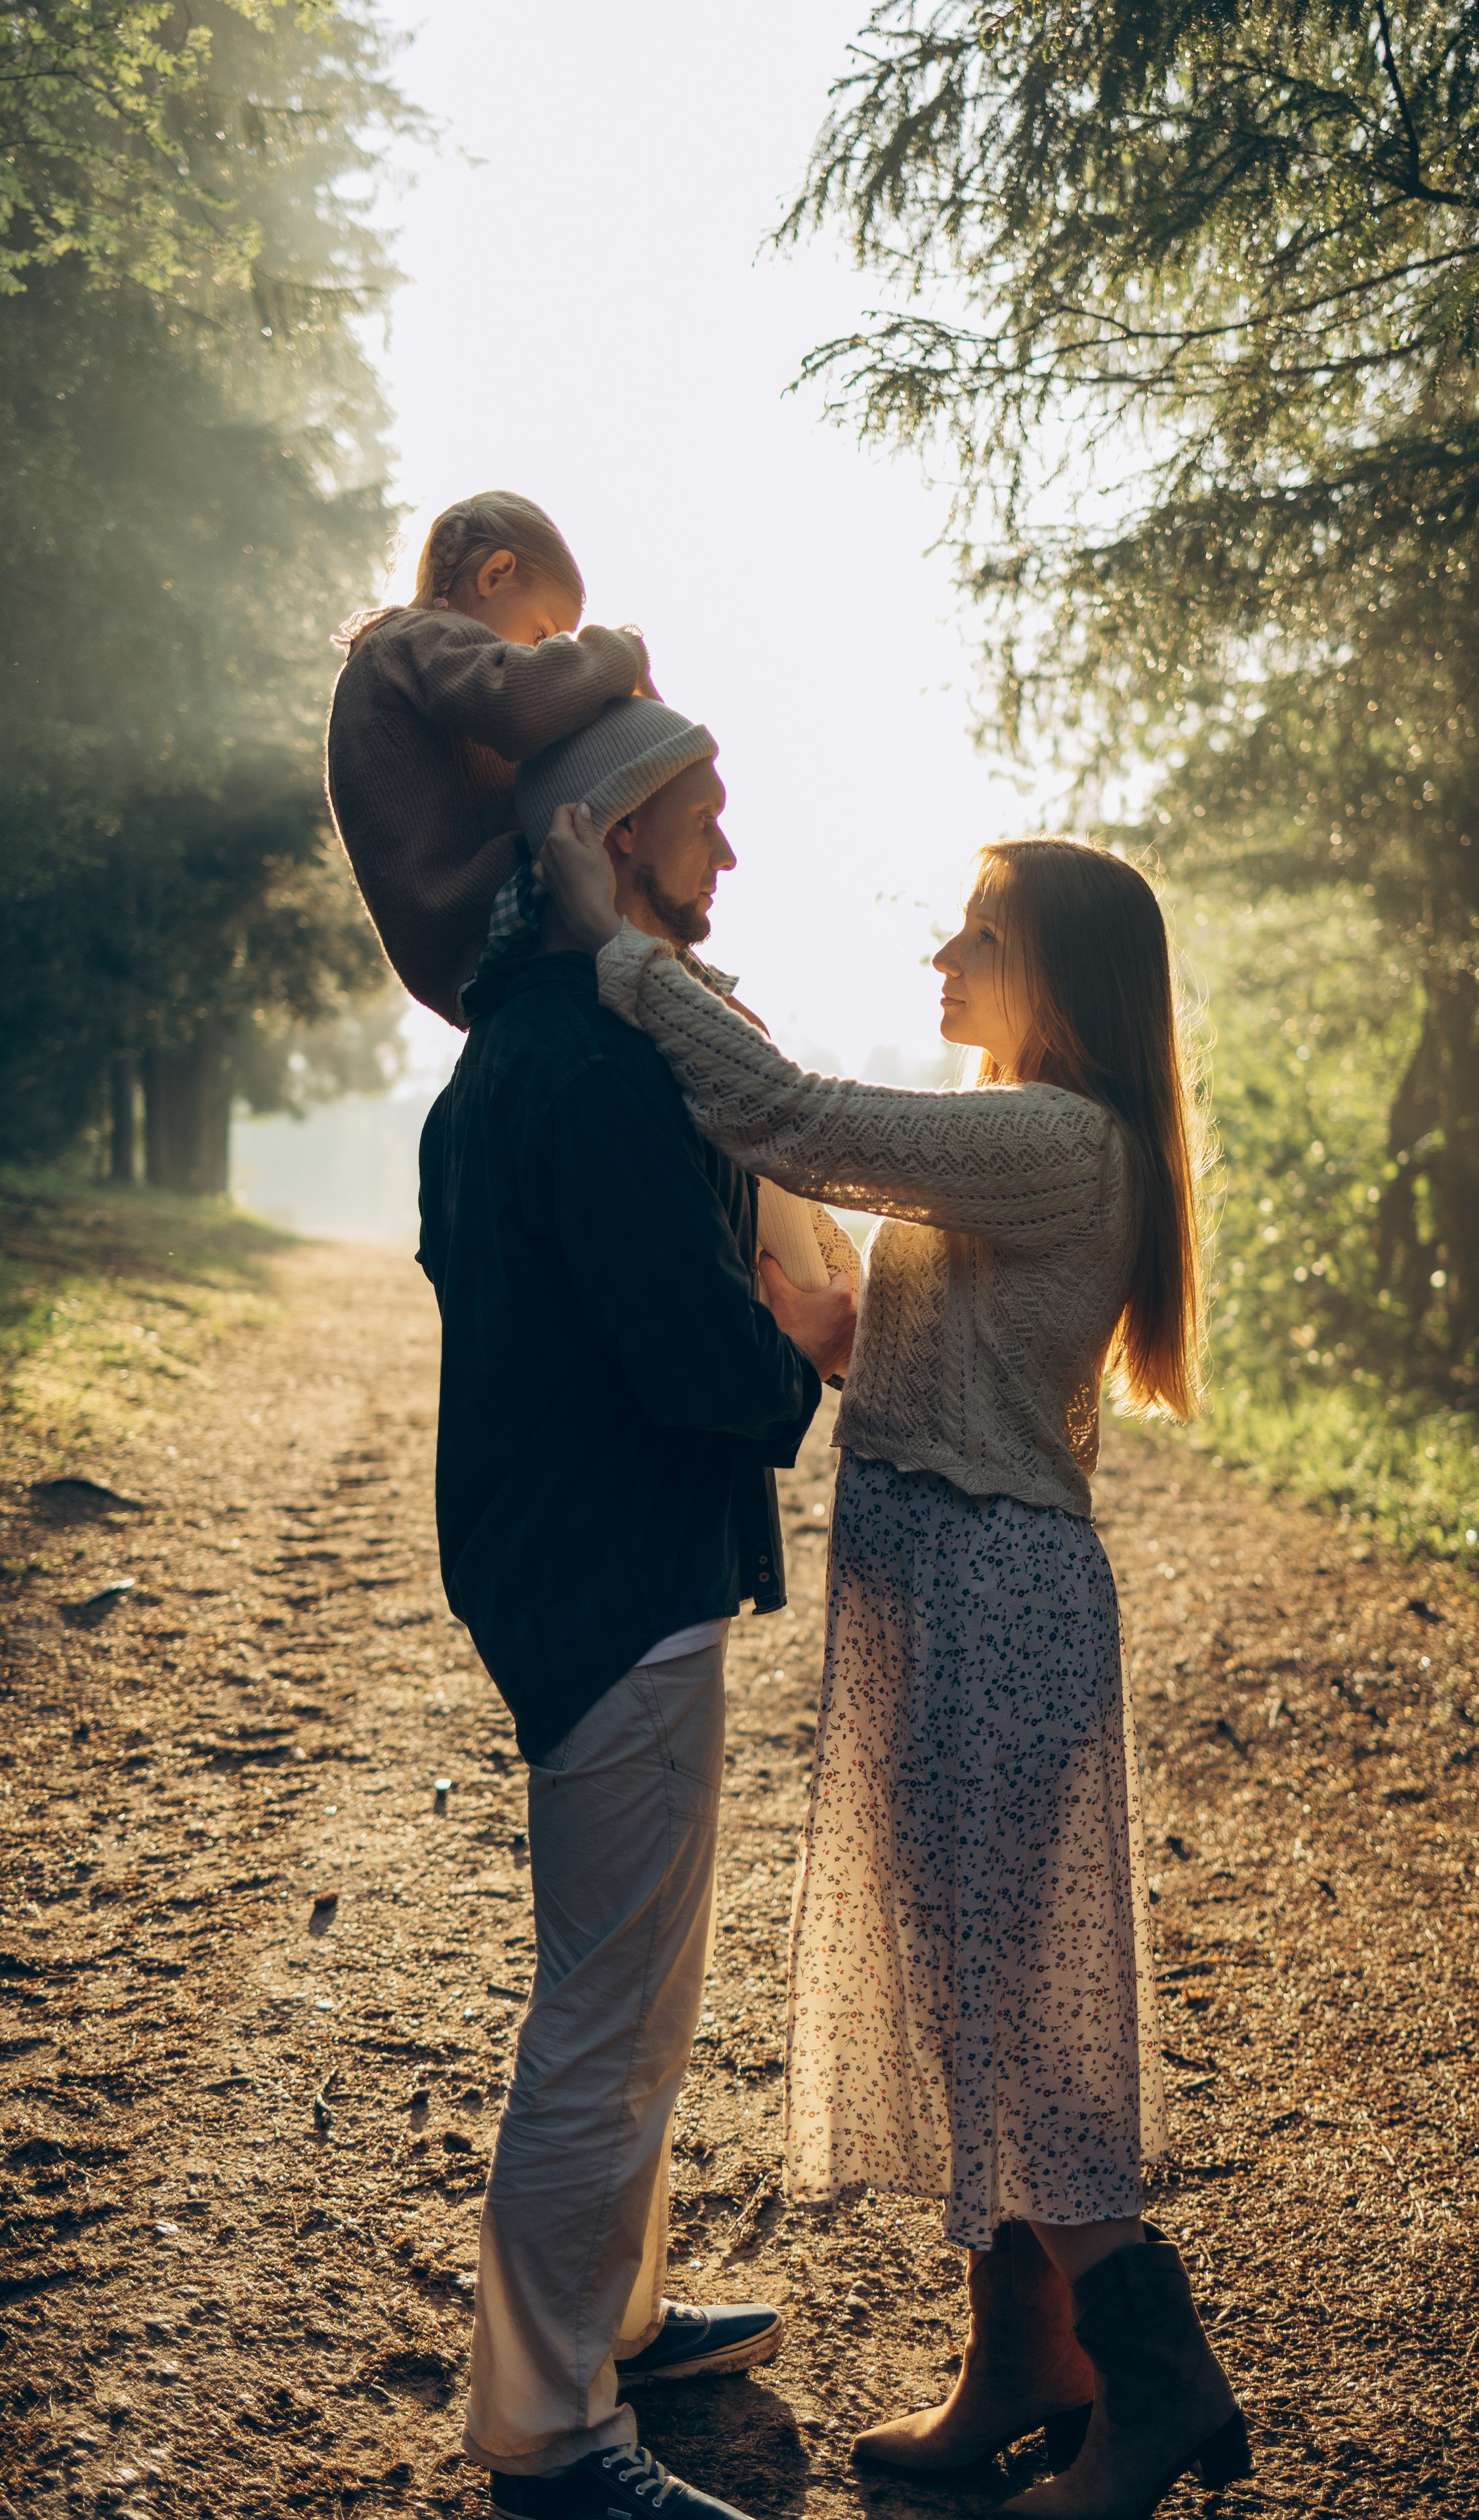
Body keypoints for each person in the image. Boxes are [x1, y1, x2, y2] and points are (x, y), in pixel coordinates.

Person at [537, 810, 1251, 2520]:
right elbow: (814, 1159)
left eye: (974, 935)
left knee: (1025, 2021)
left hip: (993, 1597)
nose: (940, 957)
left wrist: (617, 953)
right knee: (966, 2011)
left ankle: (1156, 2394)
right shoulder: (1012, 1138)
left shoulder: (1060, 1140)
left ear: (1053, 975)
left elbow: (802, 1123)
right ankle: (1028, 2362)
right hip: (937, 1587)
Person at [417, 697, 859, 2520]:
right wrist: (801, 1370)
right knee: (607, 2013)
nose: (730, 857)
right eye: (708, 819)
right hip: (613, 1578)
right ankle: (546, 2436)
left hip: (586, 1563)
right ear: (607, 834)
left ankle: (617, 2320)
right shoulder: (591, 1077)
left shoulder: (536, 1046)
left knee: (637, 2000)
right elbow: (698, 1358)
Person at [325, 489, 652, 1026]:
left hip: (460, 945)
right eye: (543, 634)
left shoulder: (403, 655)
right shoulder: (419, 639)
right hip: (483, 909)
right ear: (495, 574)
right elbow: (519, 702)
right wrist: (624, 653)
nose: (540, 654)